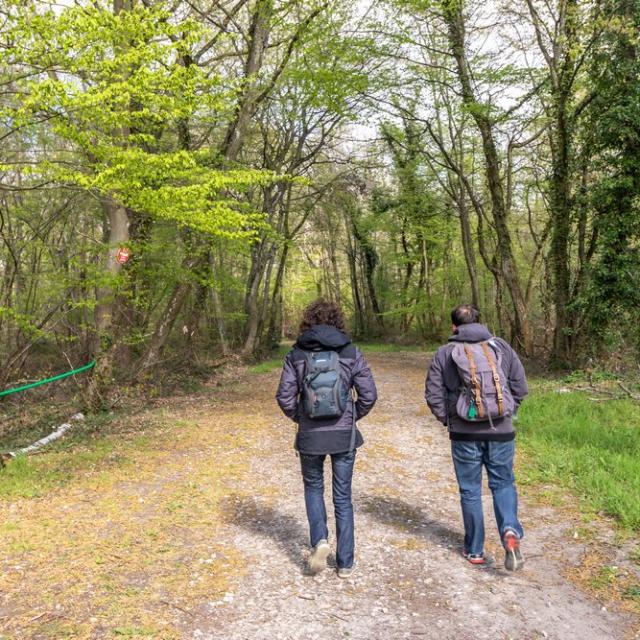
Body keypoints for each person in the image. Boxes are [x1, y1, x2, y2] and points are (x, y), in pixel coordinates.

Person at [276, 298, 377, 578]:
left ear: (307, 321)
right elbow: (369, 394)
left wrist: (302, 418)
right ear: (338, 321)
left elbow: (284, 397)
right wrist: (352, 416)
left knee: (313, 489)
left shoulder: (297, 354)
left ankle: (319, 541)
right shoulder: (350, 351)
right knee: (343, 496)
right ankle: (345, 563)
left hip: (310, 436)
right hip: (344, 435)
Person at [425, 304, 528, 571]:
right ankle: (510, 532)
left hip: (464, 432)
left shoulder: (445, 353)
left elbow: (433, 394)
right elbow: (520, 386)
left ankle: (475, 550)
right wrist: (507, 410)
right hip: (502, 431)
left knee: (470, 491)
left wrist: (450, 419)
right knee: (503, 483)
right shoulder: (501, 347)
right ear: (481, 322)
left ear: (453, 327)